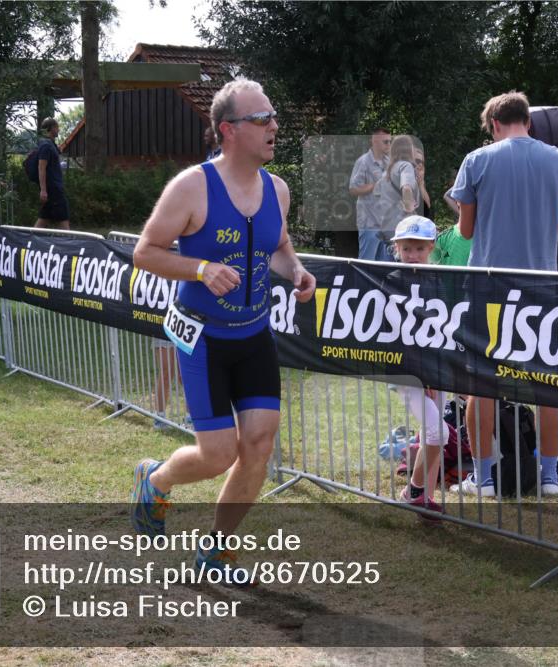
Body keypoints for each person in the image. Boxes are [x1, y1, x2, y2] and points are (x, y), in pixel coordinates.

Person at [129, 78, 317, 582]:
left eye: (273, 116)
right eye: (261, 119)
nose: (274, 126)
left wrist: (296, 270)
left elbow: (278, 246)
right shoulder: (192, 187)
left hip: (253, 334)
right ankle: (156, 480)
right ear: (228, 130)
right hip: (204, 338)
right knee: (217, 454)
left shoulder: (278, 189)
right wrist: (200, 269)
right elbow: (145, 252)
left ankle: (218, 551)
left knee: (258, 445)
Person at [449, 90, 558, 497]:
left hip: (487, 287)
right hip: (542, 286)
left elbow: (465, 232)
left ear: (494, 124)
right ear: (529, 121)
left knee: (480, 383)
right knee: (547, 382)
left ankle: (484, 477)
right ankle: (550, 475)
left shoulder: (477, 160)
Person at [383, 215, 448, 520]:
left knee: (432, 434)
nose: (413, 255)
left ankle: (426, 498)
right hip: (406, 372)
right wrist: (423, 377)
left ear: (431, 248)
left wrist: (439, 374)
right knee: (438, 432)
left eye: (419, 249)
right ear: (397, 248)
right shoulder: (390, 280)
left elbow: (442, 328)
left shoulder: (438, 280)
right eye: (407, 249)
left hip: (436, 369)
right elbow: (398, 335)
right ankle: (414, 491)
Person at [373, 135, 421, 256]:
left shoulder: (386, 173)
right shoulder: (405, 166)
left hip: (386, 228)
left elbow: (376, 195)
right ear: (408, 149)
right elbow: (406, 188)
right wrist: (410, 212)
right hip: (402, 227)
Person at [349, 128, 391, 261]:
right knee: (366, 264)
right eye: (385, 142)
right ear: (375, 142)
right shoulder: (363, 162)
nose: (389, 145)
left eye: (390, 141)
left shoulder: (389, 161)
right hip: (369, 223)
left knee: (384, 266)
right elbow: (353, 189)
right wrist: (376, 185)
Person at [34, 117, 70, 230]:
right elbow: (41, 168)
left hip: (53, 188)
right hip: (53, 189)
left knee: (43, 220)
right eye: (57, 127)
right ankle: (69, 240)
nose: (58, 130)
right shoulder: (46, 146)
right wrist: (43, 190)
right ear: (52, 128)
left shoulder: (51, 145)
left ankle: (29, 239)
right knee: (63, 219)